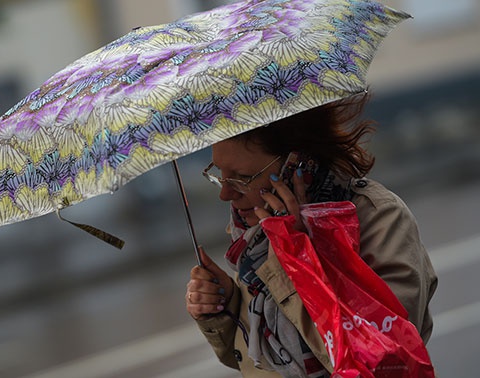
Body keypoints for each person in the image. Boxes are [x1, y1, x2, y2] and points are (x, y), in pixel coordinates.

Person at [185, 93, 438, 377]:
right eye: (219, 173)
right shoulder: (255, 234)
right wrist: (224, 307)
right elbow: (259, 361)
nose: (224, 193)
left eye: (242, 178)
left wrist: (298, 257)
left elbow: (382, 359)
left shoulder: (377, 217)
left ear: (296, 164)